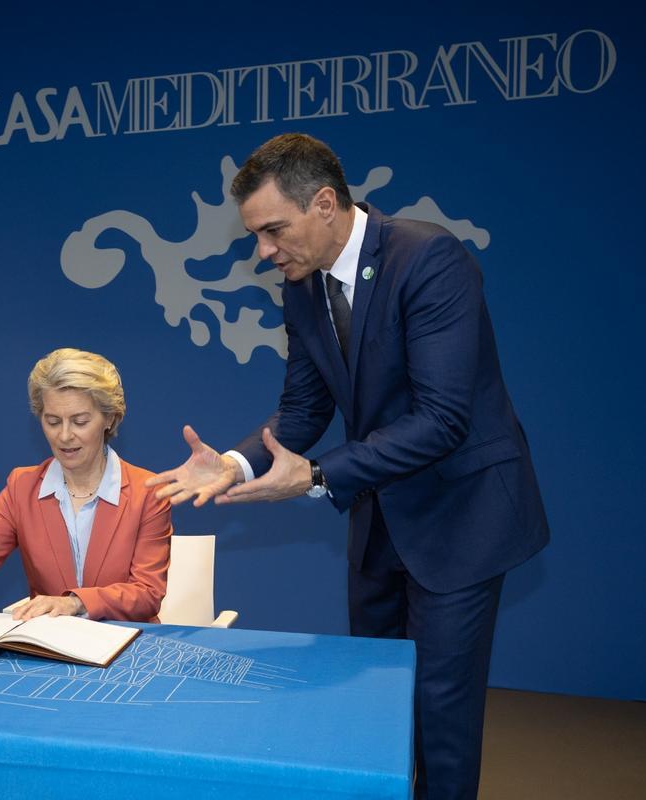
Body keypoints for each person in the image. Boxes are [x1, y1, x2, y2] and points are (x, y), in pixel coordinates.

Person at [147, 134, 548, 799]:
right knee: (376, 701)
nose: (264, 250)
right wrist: (237, 465)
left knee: (440, 713)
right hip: (380, 517)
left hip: (461, 518)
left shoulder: (429, 260)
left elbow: (443, 418)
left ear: (326, 203)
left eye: (274, 229)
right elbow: (302, 410)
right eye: (256, 235)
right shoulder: (301, 289)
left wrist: (316, 476)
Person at [0, 348, 171, 622]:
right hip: (49, 650)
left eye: (80, 421)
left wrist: (76, 603)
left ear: (110, 419)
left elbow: (147, 593)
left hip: (128, 649)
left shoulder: (148, 492)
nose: (65, 435)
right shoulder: (22, 487)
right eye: (53, 421)